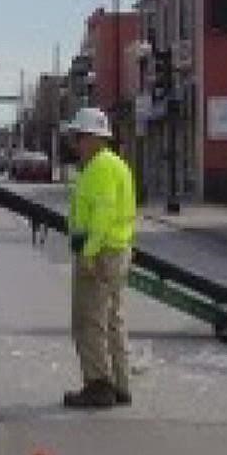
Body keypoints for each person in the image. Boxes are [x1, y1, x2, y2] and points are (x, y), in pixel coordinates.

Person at [60, 107, 137, 409]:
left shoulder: (100, 168)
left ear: (93, 138)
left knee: (88, 320)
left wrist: (89, 253)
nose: (74, 142)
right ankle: (120, 383)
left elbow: (102, 214)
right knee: (112, 319)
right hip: (114, 250)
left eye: (78, 136)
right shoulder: (109, 165)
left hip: (101, 251)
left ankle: (98, 385)